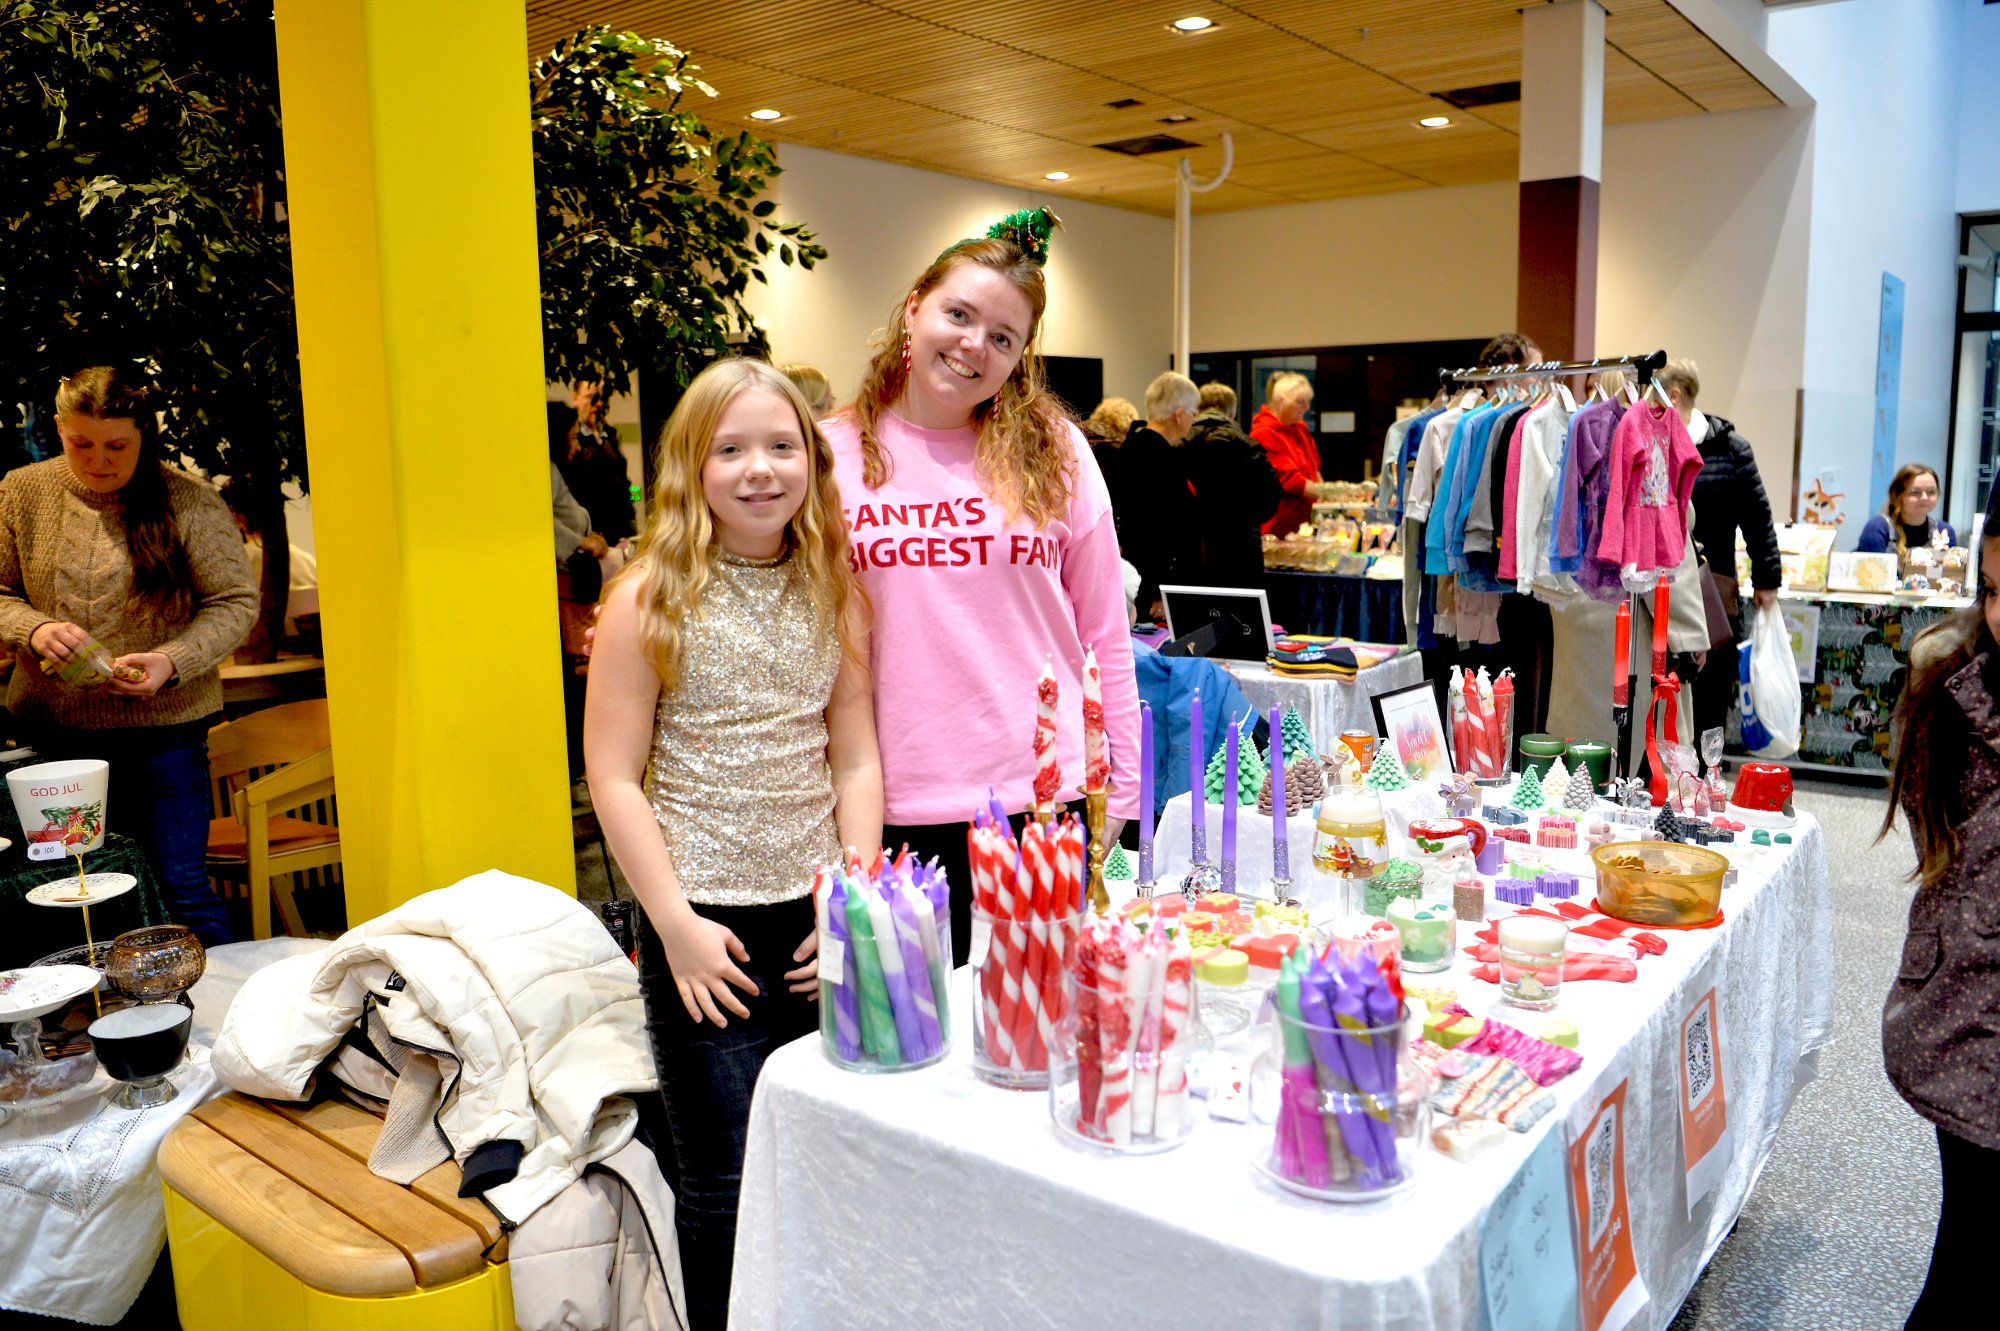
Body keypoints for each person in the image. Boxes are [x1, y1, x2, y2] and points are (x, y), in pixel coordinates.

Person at [585, 357, 880, 1330]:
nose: (760, 468)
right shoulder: (649, 596)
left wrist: (854, 897)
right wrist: (672, 924)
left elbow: (855, 758)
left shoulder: (835, 588)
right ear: (691, 466)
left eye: (782, 446)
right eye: (731, 449)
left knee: (829, 1155)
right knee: (725, 1183)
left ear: (813, 462)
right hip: (702, 927)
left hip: (816, 923)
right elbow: (612, 774)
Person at [826, 208, 1141, 961]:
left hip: (1045, 799)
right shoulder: (830, 453)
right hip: (888, 805)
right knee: (912, 1027)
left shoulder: (1057, 450)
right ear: (914, 307)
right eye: (959, 315)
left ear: (1020, 357)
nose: (974, 345)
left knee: (1036, 1023)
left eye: (1003, 337)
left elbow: (1104, 632)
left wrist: (1122, 790)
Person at [0, 366, 256, 944]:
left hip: (165, 735)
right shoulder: (21, 491)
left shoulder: (187, 499)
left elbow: (235, 602)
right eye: (81, 443)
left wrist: (173, 660)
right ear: (58, 427)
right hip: (53, 738)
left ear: (145, 434)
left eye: (117, 446)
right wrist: (34, 629)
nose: (99, 460)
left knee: (180, 889)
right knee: (68, 896)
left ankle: (221, 1000)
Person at [1877, 484, 2000, 1327]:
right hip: (1971, 1022)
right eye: (1990, 589)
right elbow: (1937, 846)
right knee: (1969, 1262)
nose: (1999, 614)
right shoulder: (1956, 689)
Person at [1659, 359, 1783, 741]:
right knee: (1665, 688)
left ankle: (1706, 766)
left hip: (1714, 588)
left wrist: (1767, 580)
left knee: (1711, 691)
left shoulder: (1730, 447)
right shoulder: (1653, 443)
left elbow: (1758, 517)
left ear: (1673, 395)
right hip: (1660, 587)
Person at [1118, 371, 1202, 617]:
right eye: (1193, 413)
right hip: (1154, 588)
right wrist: (1157, 591)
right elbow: (1152, 529)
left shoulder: (1134, 447)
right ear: (1179, 415)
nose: (1193, 420)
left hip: (1147, 579)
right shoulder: (1156, 456)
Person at [1185, 381, 1282, 588]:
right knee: (1241, 605)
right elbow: (1271, 492)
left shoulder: (1182, 441)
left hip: (1193, 546)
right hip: (1241, 544)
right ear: (1232, 411)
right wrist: (1249, 518)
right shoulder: (1245, 443)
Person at [559, 383, 637, 544]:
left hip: (621, 531)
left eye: (600, 398)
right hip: (591, 534)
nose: (598, 404)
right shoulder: (571, 441)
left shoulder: (610, 435)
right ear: (575, 398)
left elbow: (624, 482)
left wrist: (631, 516)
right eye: (590, 397)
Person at [1253, 371, 1320, 536]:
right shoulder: (1263, 433)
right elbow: (1291, 481)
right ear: (1281, 401)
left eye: (1308, 401)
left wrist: (1329, 499)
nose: (1307, 407)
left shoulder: (1300, 427)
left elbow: (1314, 470)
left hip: (1304, 522)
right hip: (1279, 525)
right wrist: (1332, 495)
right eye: (1300, 402)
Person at [1857, 463, 1956, 562]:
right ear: (1897, 494)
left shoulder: (1944, 530)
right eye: (1915, 492)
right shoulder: (1878, 528)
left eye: (1931, 492)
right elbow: (1872, 569)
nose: (1924, 498)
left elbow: (1952, 569)